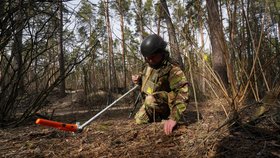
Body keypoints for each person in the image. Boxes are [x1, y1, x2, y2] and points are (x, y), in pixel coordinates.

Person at [132, 34, 189, 135]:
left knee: (150, 100)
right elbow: (149, 81)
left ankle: (165, 117)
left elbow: (183, 92)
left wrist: (174, 118)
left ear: (161, 52)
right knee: (139, 120)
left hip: (167, 106)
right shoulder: (150, 65)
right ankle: (158, 118)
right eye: (147, 58)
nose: (150, 60)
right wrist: (139, 80)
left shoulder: (173, 68)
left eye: (152, 57)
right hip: (153, 103)